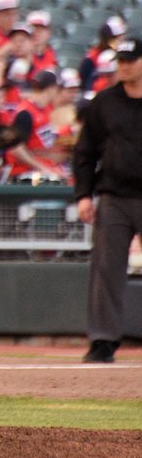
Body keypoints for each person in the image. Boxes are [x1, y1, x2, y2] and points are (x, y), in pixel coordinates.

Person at [73, 36, 142, 363]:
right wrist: (84, 195)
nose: (124, 65)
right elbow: (85, 151)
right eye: (120, 60)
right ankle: (103, 340)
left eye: (131, 59)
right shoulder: (105, 102)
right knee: (106, 270)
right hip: (114, 195)